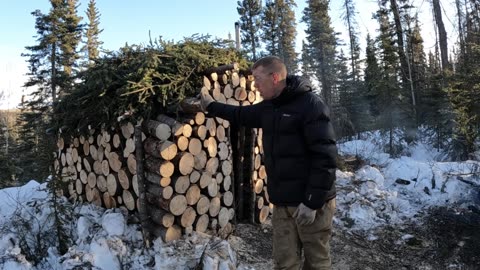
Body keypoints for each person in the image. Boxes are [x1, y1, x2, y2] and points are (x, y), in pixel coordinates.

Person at [200, 56, 337, 270]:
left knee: (317, 262)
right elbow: (240, 114)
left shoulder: (310, 105)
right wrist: (211, 106)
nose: (255, 85)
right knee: (284, 263)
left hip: (311, 203)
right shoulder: (269, 107)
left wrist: (312, 201)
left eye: (257, 79)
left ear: (274, 77)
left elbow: (325, 156)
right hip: (283, 203)